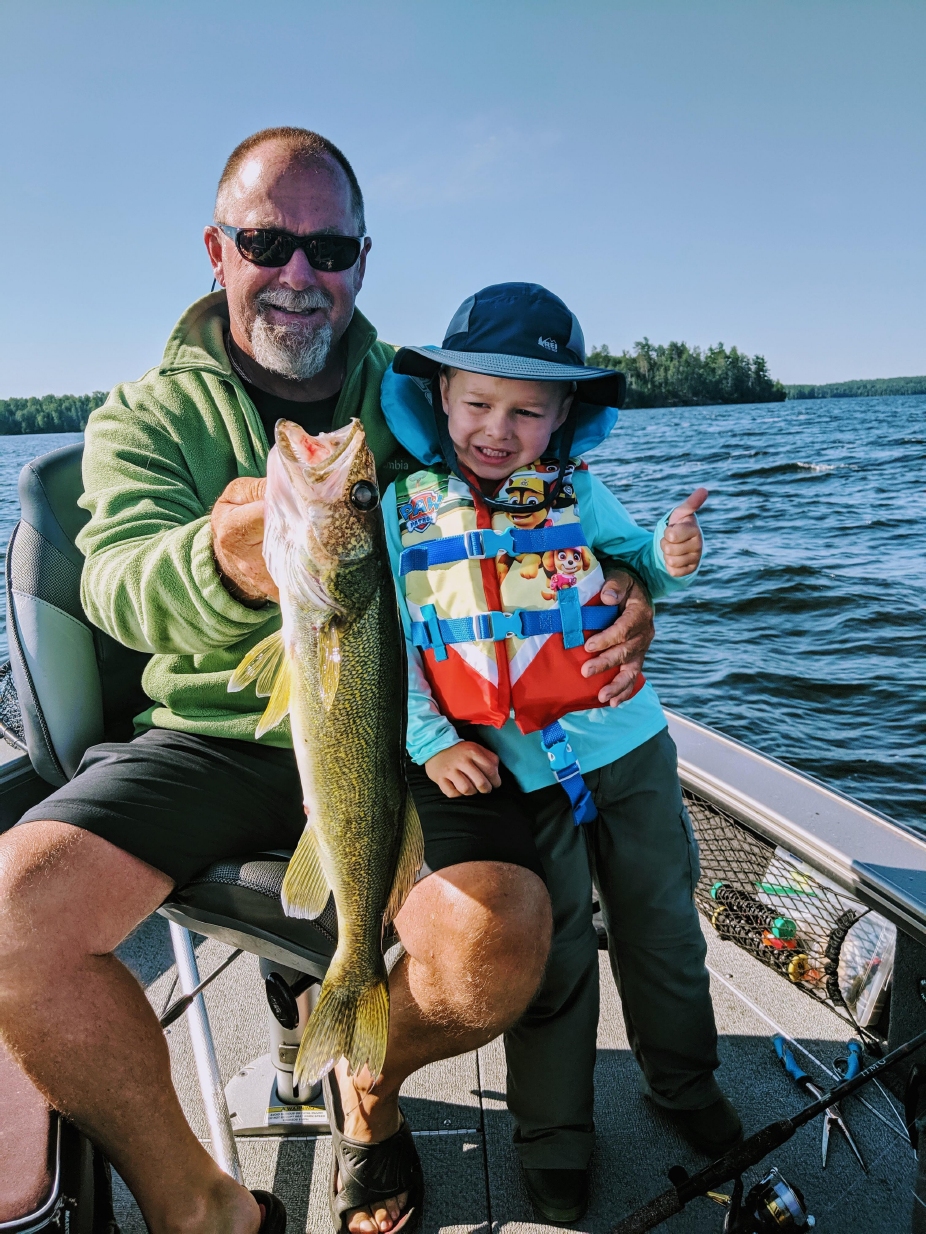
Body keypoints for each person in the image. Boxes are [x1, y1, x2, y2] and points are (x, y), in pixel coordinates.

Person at [0, 129, 655, 1234]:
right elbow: (112, 582)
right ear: (217, 251)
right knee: (12, 915)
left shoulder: (419, 400)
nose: (300, 273)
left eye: (330, 247)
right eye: (267, 243)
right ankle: (201, 1206)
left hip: (400, 727)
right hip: (209, 734)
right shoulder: (145, 416)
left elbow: (540, 507)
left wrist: (624, 586)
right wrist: (219, 561)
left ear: (361, 259)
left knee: (500, 941)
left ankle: (367, 1084)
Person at [378, 281, 743, 1224]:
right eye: (478, 403)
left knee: (663, 926)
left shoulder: (582, 492)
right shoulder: (402, 508)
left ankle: (685, 1082)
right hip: (523, 775)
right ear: (441, 396)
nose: (498, 430)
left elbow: (639, 570)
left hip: (632, 747)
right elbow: (394, 646)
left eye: (528, 412)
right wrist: (432, 739)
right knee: (557, 957)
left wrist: (674, 552)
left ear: (564, 416)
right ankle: (553, 1136)